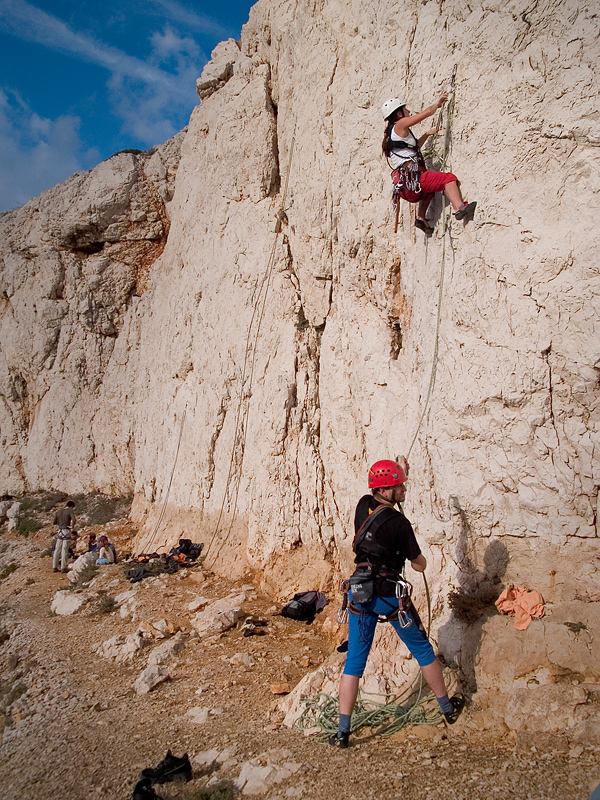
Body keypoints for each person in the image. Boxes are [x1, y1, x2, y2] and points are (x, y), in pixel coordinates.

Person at [329, 457, 464, 748]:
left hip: (360, 592)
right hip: (389, 597)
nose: (403, 488)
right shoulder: (400, 524)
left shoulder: (363, 506)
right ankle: (447, 709)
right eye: (398, 485)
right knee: (423, 650)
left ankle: (342, 732)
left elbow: (377, 500)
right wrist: (422, 560)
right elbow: (418, 564)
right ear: (387, 492)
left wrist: (399, 469)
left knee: (354, 661)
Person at [381, 94, 477, 234]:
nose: (409, 112)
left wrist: (427, 134)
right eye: (405, 110)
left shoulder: (392, 133)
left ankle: (421, 218)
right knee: (448, 178)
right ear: (398, 113)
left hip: (407, 185)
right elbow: (425, 113)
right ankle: (459, 208)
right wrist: (436, 104)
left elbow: (414, 148)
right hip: (414, 178)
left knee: (429, 191)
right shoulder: (400, 124)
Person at [52, 500, 76, 573]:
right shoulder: (70, 511)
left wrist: (60, 523)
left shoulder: (59, 511)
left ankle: (54, 567)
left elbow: (54, 522)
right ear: (71, 506)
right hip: (66, 530)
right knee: (64, 549)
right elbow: (74, 519)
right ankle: (63, 567)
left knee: (57, 549)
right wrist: (71, 526)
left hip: (60, 531)